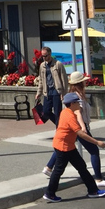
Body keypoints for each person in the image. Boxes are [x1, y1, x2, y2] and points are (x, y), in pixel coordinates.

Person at [42, 92, 105, 202]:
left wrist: (78, 114)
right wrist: (97, 142)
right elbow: (80, 134)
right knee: (58, 170)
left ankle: (93, 190)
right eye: (77, 102)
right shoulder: (69, 116)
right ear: (72, 104)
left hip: (68, 146)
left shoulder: (67, 112)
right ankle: (50, 193)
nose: (79, 104)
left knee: (81, 166)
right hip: (63, 147)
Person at [68, 71, 105, 187]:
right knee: (94, 150)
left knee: (63, 151)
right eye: (83, 81)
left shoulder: (78, 94)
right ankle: (98, 179)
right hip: (79, 127)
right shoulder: (77, 96)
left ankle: (48, 167)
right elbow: (78, 113)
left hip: (76, 127)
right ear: (79, 83)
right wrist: (83, 127)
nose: (85, 83)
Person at [35, 46, 68, 177]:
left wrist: (63, 93)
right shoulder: (42, 66)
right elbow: (41, 80)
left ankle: (59, 129)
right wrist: (38, 93)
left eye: (46, 56)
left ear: (50, 54)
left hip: (57, 92)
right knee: (46, 111)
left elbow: (64, 79)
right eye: (42, 56)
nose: (44, 58)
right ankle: (59, 126)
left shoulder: (58, 64)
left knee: (59, 113)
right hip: (47, 92)